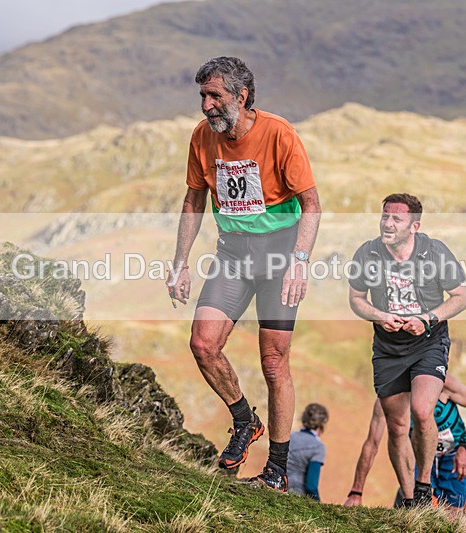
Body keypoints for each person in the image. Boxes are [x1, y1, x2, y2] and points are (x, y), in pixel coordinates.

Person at [167, 56, 321, 492]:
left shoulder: (279, 133)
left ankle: (276, 470)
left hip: (278, 256)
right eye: (202, 96)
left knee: (274, 362)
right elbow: (193, 201)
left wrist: (300, 261)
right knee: (203, 343)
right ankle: (243, 419)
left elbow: (311, 205)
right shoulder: (202, 138)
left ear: (242, 96)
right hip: (233, 252)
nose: (206, 106)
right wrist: (180, 262)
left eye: (215, 96)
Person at [348, 193, 466, 506]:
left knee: (421, 409)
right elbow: (357, 299)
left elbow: (461, 296)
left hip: (429, 342)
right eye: (384, 217)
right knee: (398, 425)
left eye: (396, 219)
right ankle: (408, 497)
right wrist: (380, 316)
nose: (387, 224)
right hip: (388, 349)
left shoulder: (434, 252)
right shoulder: (368, 253)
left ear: (414, 226)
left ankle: (423, 483)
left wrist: (427, 318)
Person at [343, 373, 466, 509]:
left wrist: (465, 447)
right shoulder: (387, 399)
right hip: (420, 456)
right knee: (424, 508)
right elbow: (372, 444)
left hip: (452, 454)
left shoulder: (442, 382)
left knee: (454, 513)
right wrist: (356, 492)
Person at [286, 403, 328, 500]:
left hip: (277, 487)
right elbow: (311, 485)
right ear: (322, 424)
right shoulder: (318, 447)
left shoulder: (288, 437)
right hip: (297, 494)